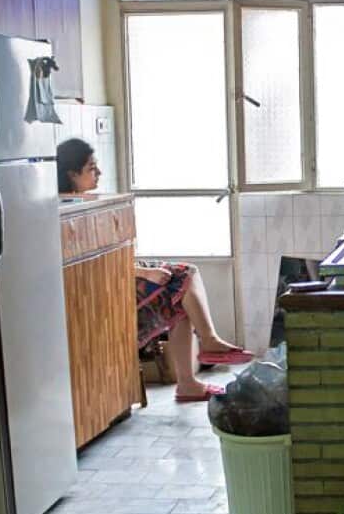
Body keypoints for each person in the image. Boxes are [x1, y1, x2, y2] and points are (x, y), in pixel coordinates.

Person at [56, 138, 253, 402]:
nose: (99, 173)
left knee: (181, 297)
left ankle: (190, 380)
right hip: (99, 295)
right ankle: (207, 344)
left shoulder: (84, 203)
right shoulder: (65, 211)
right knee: (185, 275)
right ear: (72, 174)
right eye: (91, 168)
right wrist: (145, 273)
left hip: (117, 279)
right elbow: (96, 266)